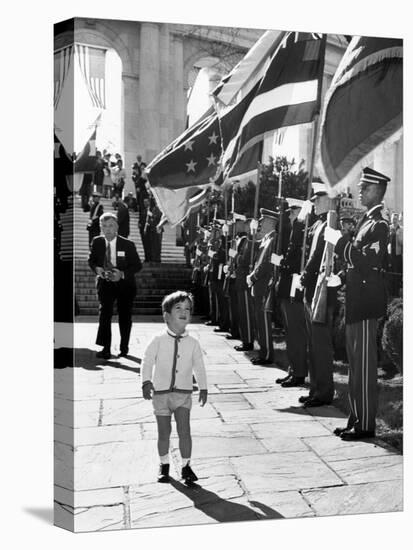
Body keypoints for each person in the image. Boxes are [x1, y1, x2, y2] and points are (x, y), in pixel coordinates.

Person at [325, 167, 390, 440]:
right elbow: (355, 264)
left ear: (377, 190)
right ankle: (355, 418)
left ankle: (366, 425)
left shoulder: (380, 225)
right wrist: (339, 276)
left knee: (364, 366)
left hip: (366, 305)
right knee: (354, 366)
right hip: (355, 302)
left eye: (365, 187)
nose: (360, 191)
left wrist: (340, 242)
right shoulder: (366, 221)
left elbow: (366, 263)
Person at [141, 291, 208, 484]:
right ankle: (164, 465)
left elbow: (199, 367)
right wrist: (146, 381)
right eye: (178, 308)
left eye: (187, 308)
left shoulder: (193, 343)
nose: (184, 311)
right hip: (160, 395)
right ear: (166, 315)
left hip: (183, 395)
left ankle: (186, 466)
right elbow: (146, 362)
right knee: (164, 433)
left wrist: (203, 387)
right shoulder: (157, 340)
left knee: (184, 430)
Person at [299, 182, 339, 408]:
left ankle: (324, 392)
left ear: (327, 200)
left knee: (321, 345)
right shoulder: (317, 225)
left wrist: (306, 275)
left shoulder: (331, 224)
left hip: (321, 292)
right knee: (313, 345)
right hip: (311, 291)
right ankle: (315, 388)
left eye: (316, 200)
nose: (313, 204)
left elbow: (319, 258)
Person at [89, 212, 142, 359]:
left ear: (117, 226)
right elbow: (91, 260)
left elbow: (137, 265)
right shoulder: (97, 242)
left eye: (111, 226)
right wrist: (97, 269)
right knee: (104, 315)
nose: (108, 229)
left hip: (124, 285)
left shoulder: (128, 244)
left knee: (125, 316)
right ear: (101, 227)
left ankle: (124, 348)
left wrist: (122, 274)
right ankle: (106, 348)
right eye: (104, 226)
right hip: (105, 284)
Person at [276, 199, 308, 387]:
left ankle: (299, 372)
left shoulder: (301, 230)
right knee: (289, 331)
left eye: (292, 212)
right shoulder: (294, 230)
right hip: (288, 286)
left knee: (296, 331)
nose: (289, 216)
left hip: (294, 287)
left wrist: (283, 264)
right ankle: (293, 369)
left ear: (299, 211)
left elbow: (296, 259)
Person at [246, 208, 278, 365]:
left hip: (264, 284)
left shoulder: (274, 239)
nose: (260, 223)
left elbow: (266, 264)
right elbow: (252, 246)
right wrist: (252, 232)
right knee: (259, 320)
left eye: (263, 221)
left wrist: (254, 276)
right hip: (258, 285)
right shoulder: (266, 239)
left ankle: (267, 355)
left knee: (264, 321)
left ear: (271, 222)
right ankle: (262, 351)